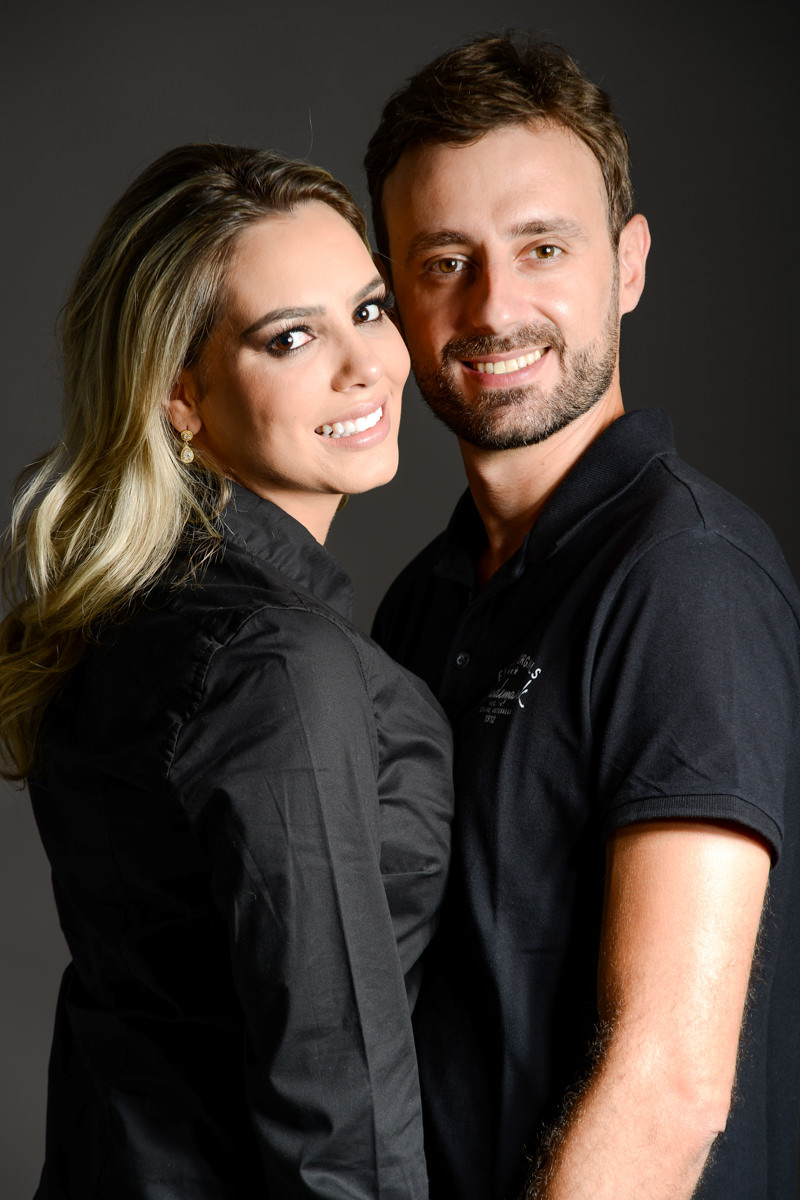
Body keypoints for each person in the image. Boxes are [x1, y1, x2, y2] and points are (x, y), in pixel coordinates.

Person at [365, 33, 800, 1200]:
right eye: (443, 260)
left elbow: (668, 1086)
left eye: (542, 248)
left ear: (628, 265)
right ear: (391, 297)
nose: (494, 307)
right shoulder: (422, 601)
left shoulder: (683, 578)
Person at [0, 143, 453, 1199]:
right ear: (181, 395)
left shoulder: (123, 616)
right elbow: (333, 1110)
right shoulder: (281, 665)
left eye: (370, 308)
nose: (364, 363)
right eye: (291, 336)